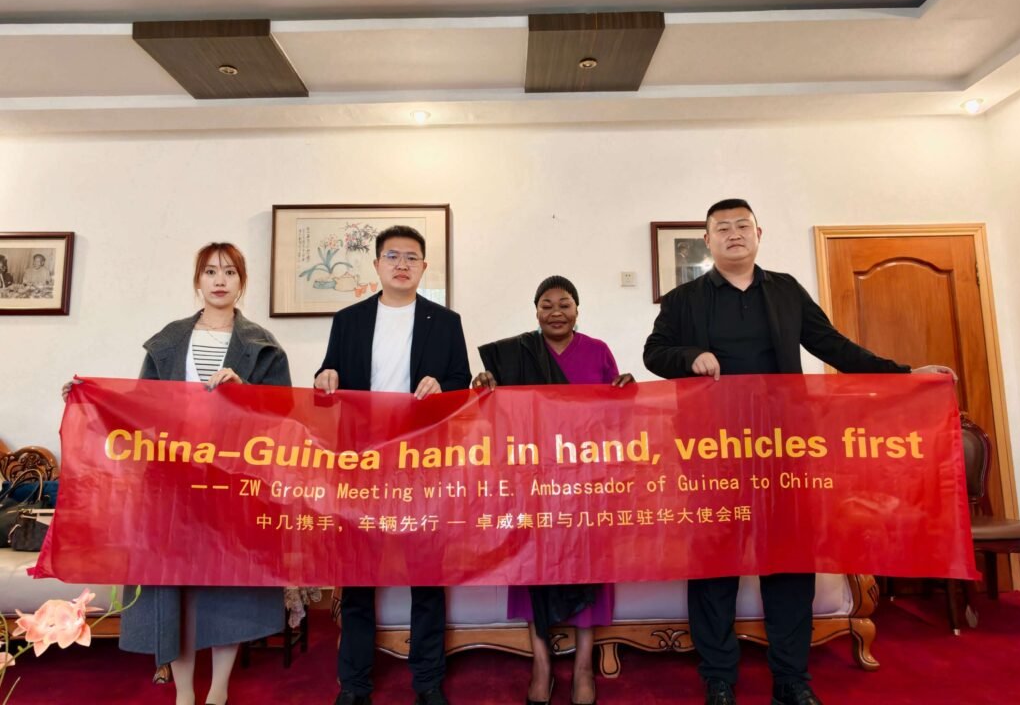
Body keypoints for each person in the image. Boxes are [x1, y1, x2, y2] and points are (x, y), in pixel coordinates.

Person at [643, 199, 955, 705]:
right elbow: (653, 353)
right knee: (713, 565)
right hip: (711, 450)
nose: (734, 233)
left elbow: (832, 345)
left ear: (759, 233)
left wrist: (903, 375)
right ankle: (718, 678)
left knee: (789, 563)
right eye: (721, 228)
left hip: (784, 449)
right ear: (708, 241)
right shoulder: (682, 300)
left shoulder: (785, 290)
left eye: (742, 225)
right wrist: (689, 356)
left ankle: (791, 678)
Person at [62, 242, 290, 705]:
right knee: (176, 590)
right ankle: (185, 692)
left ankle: (219, 691)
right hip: (171, 484)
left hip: (233, 482)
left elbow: (284, 412)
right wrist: (89, 395)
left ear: (241, 281)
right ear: (198, 281)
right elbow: (140, 406)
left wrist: (245, 393)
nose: (219, 279)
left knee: (229, 588)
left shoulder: (262, 344)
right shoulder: (169, 340)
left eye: (229, 271)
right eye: (210, 271)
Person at [314, 225, 471, 705]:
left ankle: (427, 681)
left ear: (424, 267)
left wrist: (442, 389)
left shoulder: (445, 321)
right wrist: (326, 377)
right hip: (361, 462)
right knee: (359, 577)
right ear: (378, 265)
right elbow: (325, 382)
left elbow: (462, 385)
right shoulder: (349, 319)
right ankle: (355, 684)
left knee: (426, 576)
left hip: (423, 463)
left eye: (411, 257)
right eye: (392, 256)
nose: (402, 264)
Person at [474, 275, 634, 705]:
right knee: (532, 567)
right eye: (547, 304)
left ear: (578, 310)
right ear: (536, 310)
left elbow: (617, 415)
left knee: (589, 567)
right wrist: (488, 384)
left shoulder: (598, 352)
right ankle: (541, 664)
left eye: (565, 303)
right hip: (533, 482)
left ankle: (584, 665)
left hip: (586, 483)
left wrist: (624, 388)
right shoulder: (515, 355)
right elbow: (498, 413)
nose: (556, 311)